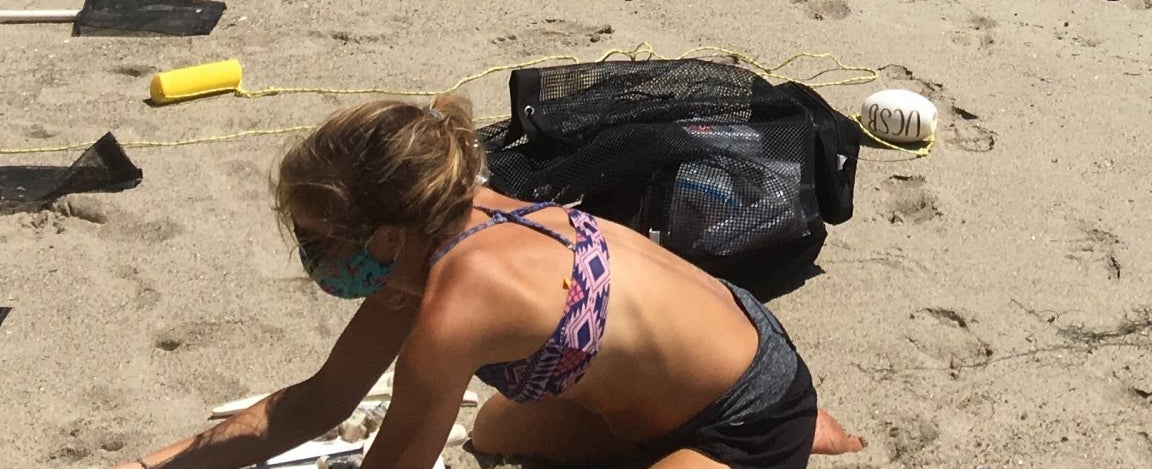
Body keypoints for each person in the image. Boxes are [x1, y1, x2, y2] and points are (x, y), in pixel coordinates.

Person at [110, 96, 863, 469]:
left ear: (384, 234)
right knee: (492, 429)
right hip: (690, 363)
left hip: (744, 412)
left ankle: (791, 434)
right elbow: (318, 400)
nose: (310, 256)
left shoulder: (455, 305)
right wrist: (161, 463)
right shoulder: (438, 226)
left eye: (314, 239)